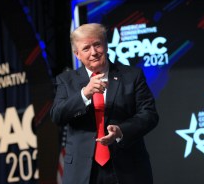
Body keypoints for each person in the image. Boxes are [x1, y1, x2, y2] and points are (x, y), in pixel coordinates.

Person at [50, 23, 159, 184]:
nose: (93, 52)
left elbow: (149, 115)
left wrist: (121, 131)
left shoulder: (132, 75)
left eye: (97, 45)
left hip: (128, 168)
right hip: (82, 172)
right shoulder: (66, 81)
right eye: (86, 48)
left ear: (106, 46)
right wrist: (84, 93)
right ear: (77, 54)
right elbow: (57, 116)